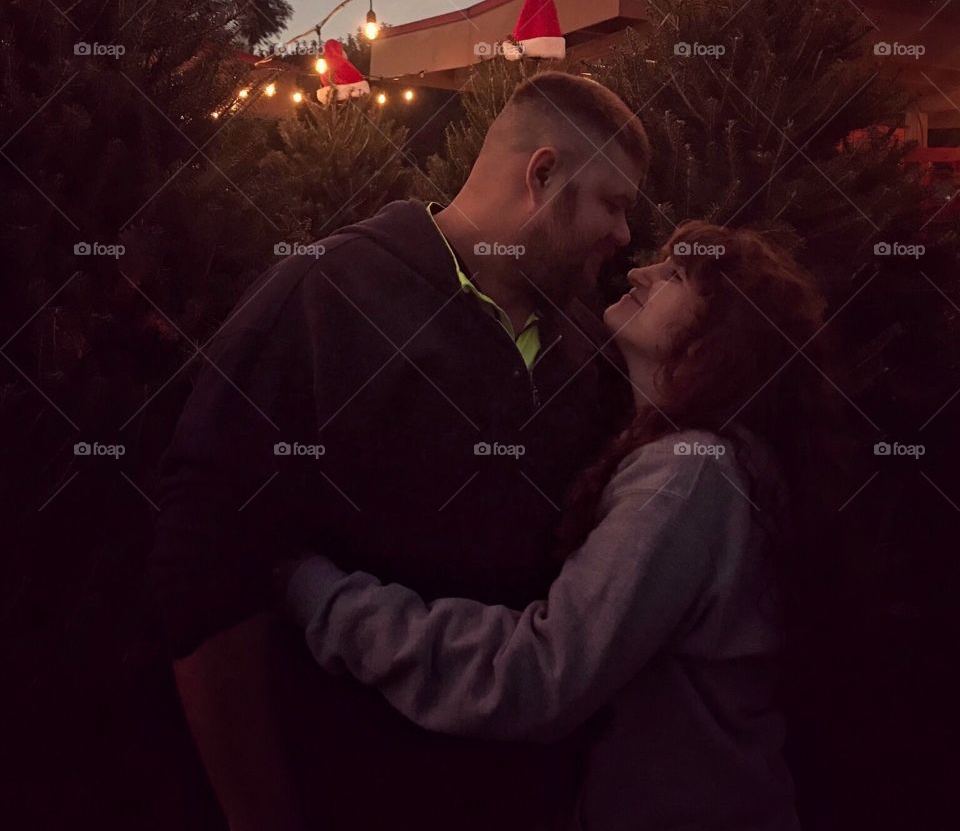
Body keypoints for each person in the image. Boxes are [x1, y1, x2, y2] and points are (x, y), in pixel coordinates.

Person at [148, 70, 650, 831]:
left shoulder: (587, 347)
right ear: (543, 175)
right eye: (614, 203)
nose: (625, 236)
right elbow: (207, 576)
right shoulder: (320, 300)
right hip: (354, 796)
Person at [280, 221, 839, 830]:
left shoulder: (690, 473)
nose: (638, 272)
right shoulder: (719, 459)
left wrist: (324, 599)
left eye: (676, 275)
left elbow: (537, 675)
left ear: (718, 341)